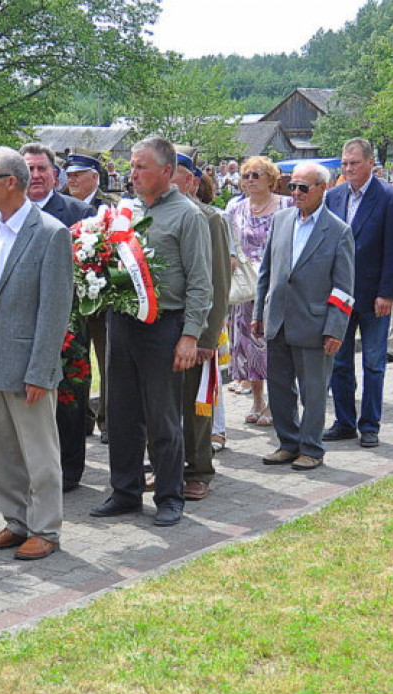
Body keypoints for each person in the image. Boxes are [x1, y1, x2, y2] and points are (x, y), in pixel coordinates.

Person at [92, 136, 211, 527]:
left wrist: (191, 335)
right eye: (131, 166)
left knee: (163, 417)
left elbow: (200, 282)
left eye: (141, 167)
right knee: (122, 413)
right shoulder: (126, 210)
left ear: (166, 171)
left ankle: (169, 495)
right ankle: (125, 491)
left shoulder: (187, 216)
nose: (133, 174)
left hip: (164, 326)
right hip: (121, 323)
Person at [0, 147, 73, 560]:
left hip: (28, 366)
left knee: (39, 453)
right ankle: (15, 522)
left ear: (10, 182)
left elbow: (54, 310)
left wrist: (41, 370)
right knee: (3, 452)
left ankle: (45, 528)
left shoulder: (50, 233)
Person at [252, 161, 355, 471]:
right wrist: (259, 313)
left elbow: (343, 286)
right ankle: (288, 443)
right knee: (279, 387)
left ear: (322, 189)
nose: (295, 193)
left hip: (315, 322)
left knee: (313, 391)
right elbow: (266, 272)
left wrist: (335, 328)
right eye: (291, 186)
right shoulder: (281, 220)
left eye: (303, 187)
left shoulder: (338, 230)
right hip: (279, 319)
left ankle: (311, 448)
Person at [19, 142, 94, 493]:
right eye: (28, 169)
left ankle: (69, 469)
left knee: (68, 396)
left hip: (68, 323)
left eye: (41, 169)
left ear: (55, 175)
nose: (35, 175)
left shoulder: (79, 213)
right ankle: (28, 467)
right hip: (20, 322)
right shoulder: (6, 213)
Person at [324, 137, 393, 449]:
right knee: (340, 362)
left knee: (373, 363)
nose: (348, 169)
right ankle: (344, 422)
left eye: (354, 163)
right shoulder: (333, 196)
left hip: (374, 297)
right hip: (339, 297)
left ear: (371, 163)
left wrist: (387, 293)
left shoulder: (389, 197)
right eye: (344, 163)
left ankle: (369, 425)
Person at [171, 154, 230, 500]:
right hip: (160, 327)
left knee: (196, 404)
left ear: (192, 182)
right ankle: (170, 466)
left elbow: (219, 282)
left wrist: (207, 336)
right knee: (166, 404)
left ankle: (199, 470)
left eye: (175, 178)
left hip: (196, 327)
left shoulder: (209, 219)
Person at [225, 155, 292, 424]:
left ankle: (276, 404)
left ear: (270, 179)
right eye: (246, 176)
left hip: (278, 286)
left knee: (273, 347)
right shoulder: (234, 210)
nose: (250, 180)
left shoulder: (286, 206)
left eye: (256, 175)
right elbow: (230, 249)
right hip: (245, 290)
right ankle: (256, 400)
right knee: (248, 348)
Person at [63, 152, 111, 443]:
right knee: (76, 360)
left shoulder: (109, 207)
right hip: (71, 300)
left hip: (102, 299)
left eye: (78, 174)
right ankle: (82, 419)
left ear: (95, 176)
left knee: (107, 361)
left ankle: (107, 421)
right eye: (69, 174)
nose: (72, 179)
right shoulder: (62, 204)